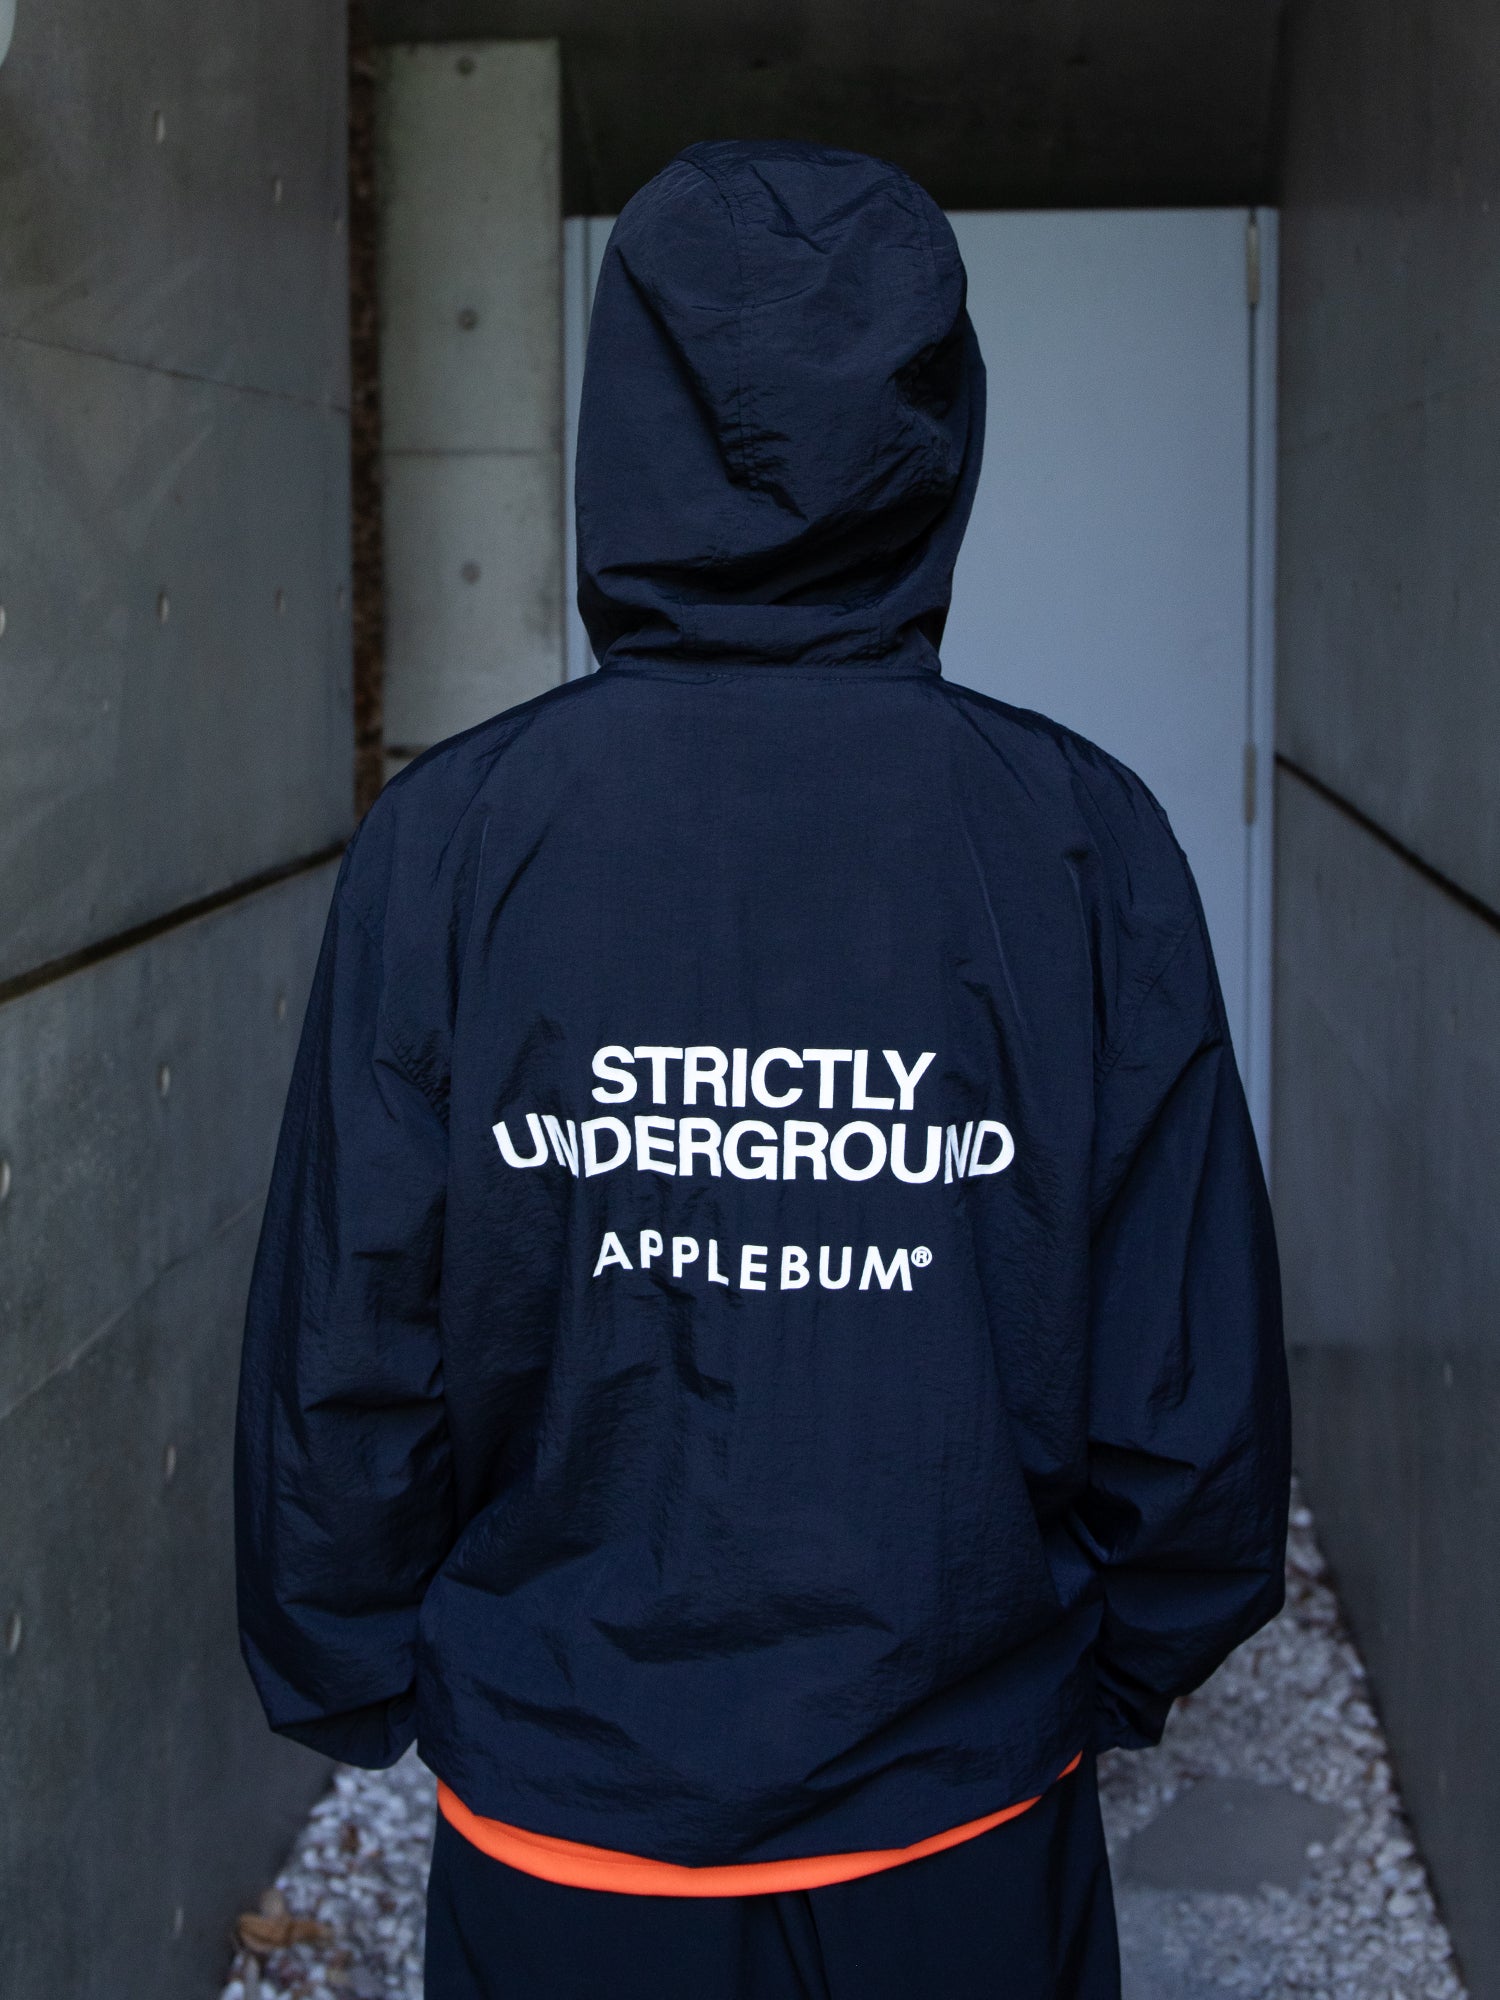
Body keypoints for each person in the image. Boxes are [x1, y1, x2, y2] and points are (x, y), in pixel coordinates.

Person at [235, 139, 1290, 2000]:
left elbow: (352, 1328)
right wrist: (1120, 1663)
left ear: (627, 416)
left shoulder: (461, 838)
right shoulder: (1076, 836)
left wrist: (351, 1656)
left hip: (574, 1821)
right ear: (939, 430)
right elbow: (1184, 1360)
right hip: (959, 1826)